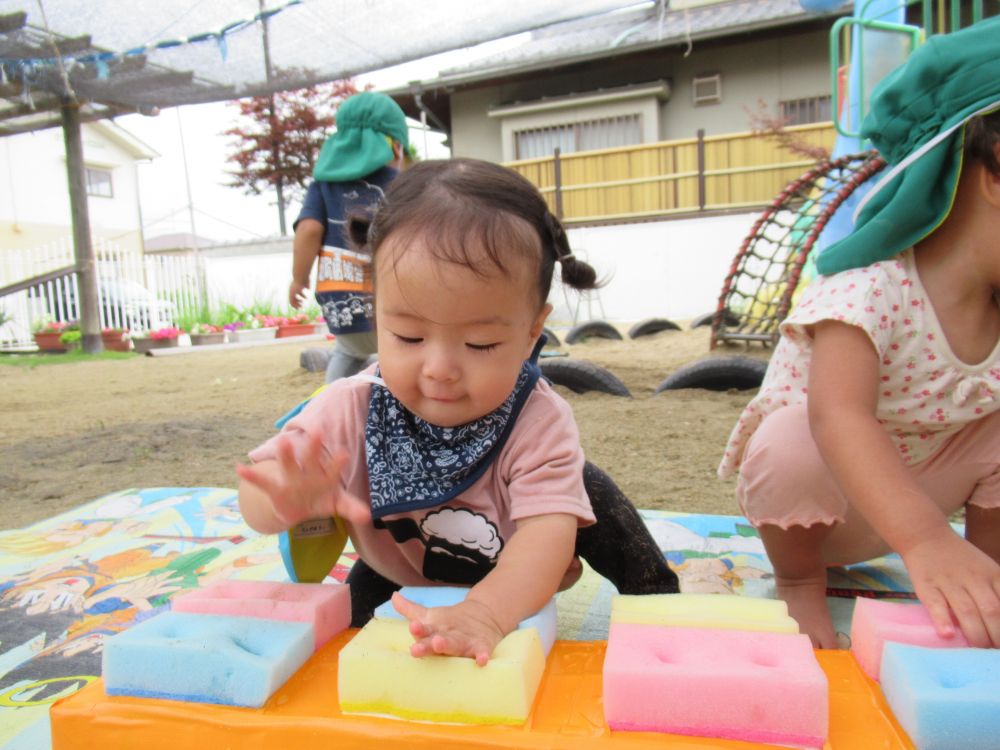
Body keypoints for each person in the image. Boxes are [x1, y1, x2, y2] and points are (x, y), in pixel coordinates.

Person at [240, 158, 678, 664]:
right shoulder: (351, 406)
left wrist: (489, 612)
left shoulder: (539, 419)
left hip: (515, 565)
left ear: (533, 330)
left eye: (480, 342)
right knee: (347, 644)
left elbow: (545, 536)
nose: (440, 368)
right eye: (409, 336)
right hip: (397, 569)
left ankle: (658, 600)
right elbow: (260, 488)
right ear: (377, 313)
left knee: (588, 492)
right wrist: (281, 496)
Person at [718, 19, 1000, 650]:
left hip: (925, 494)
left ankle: (986, 587)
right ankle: (797, 584)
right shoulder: (867, 292)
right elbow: (839, 421)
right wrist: (928, 541)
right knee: (794, 434)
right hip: (823, 510)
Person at [290, 91, 409, 383]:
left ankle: (330, 412)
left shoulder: (323, 185)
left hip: (341, 301)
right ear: (395, 147)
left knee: (346, 352)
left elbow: (309, 230)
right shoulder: (403, 185)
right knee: (397, 356)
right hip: (394, 302)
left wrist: (298, 278)